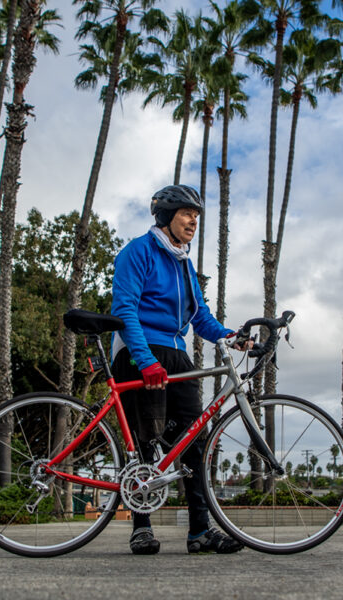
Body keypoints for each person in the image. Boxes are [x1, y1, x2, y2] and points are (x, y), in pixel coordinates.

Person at [110, 184, 250, 555]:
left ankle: (200, 532)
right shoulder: (137, 252)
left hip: (175, 355)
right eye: (188, 213)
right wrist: (145, 360)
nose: (193, 221)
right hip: (139, 352)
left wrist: (230, 336)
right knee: (143, 443)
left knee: (194, 444)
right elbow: (125, 311)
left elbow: (199, 316)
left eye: (197, 216)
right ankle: (141, 528)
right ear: (166, 215)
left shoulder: (185, 263)